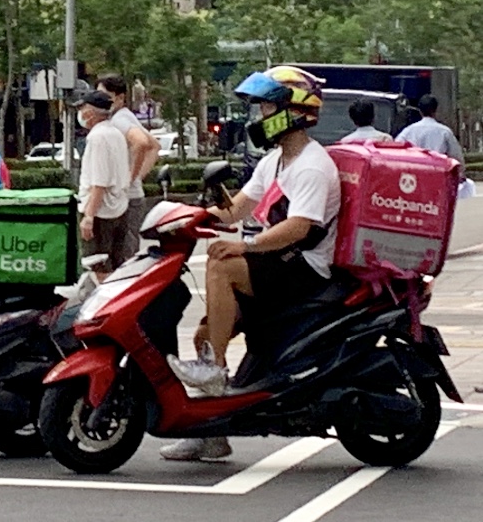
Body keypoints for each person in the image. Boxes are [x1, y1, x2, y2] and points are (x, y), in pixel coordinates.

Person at [160, 66, 341, 462]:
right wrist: (190, 218)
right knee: (204, 334)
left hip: (304, 267)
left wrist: (249, 246)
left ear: (291, 111)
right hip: (279, 262)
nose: (258, 117)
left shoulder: (311, 165)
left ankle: (216, 370)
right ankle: (208, 434)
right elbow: (238, 207)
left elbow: (299, 227)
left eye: (264, 108)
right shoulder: (276, 161)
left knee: (221, 262)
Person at [96, 74, 161, 257]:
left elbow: (141, 143)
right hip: (132, 197)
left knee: (124, 256)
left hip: (126, 201)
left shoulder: (119, 121)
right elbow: (154, 146)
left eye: (104, 95)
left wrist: (130, 178)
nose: (100, 100)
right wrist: (136, 178)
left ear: (120, 97)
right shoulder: (125, 116)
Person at [73, 89, 131, 279]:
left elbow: (99, 182)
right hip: (119, 208)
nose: (81, 114)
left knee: (99, 268)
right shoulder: (116, 133)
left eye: (83, 109)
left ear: (90, 112)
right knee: (115, 268)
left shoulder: (97, 138)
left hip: (100, 213)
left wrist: (89, 216)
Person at [395, 94, 465, 177]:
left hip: (414, 177)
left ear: (420, 111)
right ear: (435, 110)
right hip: (438, 176)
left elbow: (396, 150)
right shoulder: (445, 132)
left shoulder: (408, 131)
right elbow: (456, 157)